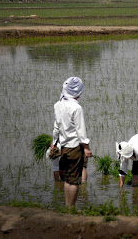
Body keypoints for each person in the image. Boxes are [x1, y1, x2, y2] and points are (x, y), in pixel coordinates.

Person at [52, 77, 92, 206]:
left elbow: (56, 126)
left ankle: (67, 206)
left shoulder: (58, 105)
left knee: (67, 179)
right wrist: (86, 147)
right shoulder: (76, 107)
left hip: (63, 147)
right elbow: (81, 130)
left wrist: (54, 142)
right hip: (75, 147)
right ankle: (71, 208)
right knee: (74, 180)